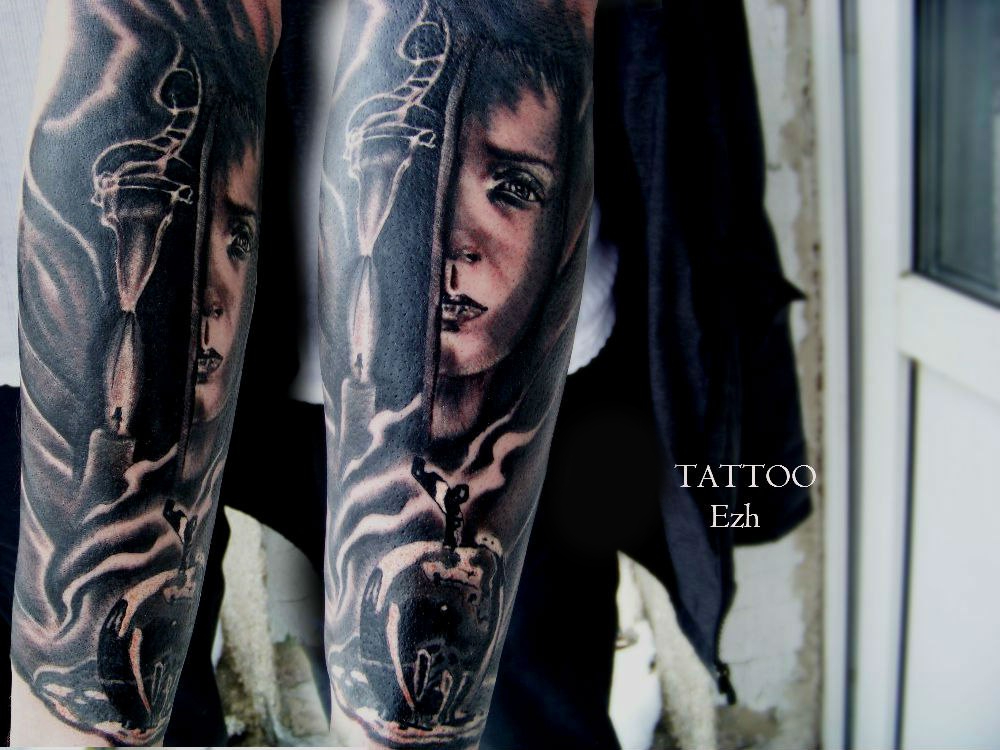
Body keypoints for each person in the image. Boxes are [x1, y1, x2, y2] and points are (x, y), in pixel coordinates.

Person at [3, 0, 811, 747]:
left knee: (500, 702)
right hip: (89, 356)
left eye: (511, 188)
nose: (458, 251)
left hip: (500, 385)